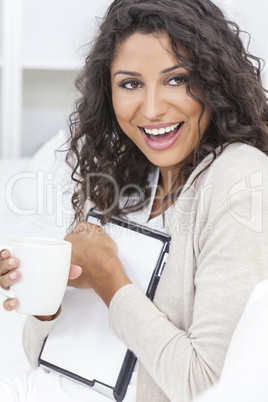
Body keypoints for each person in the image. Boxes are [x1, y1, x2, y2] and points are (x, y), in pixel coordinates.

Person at [1, 0, 268, 401]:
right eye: (130, 83)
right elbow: (40, 356)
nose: (153, 108)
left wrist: (110, 279)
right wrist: (47, 298)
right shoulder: (122, 175)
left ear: (216, 82)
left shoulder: (242, 178)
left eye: (177, 79)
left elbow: (208, 385)